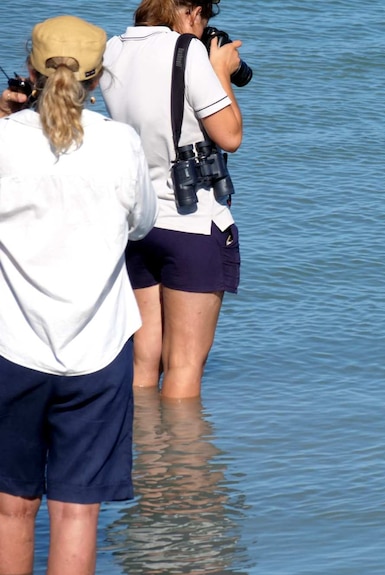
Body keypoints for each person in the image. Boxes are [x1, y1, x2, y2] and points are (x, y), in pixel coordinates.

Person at [0, 15, 157, 575]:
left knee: (11, 509)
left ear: (30, 69)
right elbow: (141, 224)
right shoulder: (119, 143)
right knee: (77, 513)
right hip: (98, 350)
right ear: (97, 78)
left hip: (11, 349)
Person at [100, 0, 244, 400]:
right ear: (192, 10)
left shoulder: (114, 48)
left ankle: (144, 456)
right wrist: (220, 73)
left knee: (143, 363)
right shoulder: (189, 50)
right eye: (206, 18)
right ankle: (184, 461)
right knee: (184, 365)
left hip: (137, 223)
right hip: (191, 224)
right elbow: (230, 135)